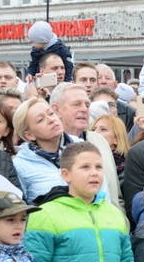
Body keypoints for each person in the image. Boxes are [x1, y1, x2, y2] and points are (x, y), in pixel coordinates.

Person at [49, 83, 122, 212]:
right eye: (76, 104)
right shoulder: (47, 146)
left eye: (87, 105)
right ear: (56, 110)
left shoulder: (99, 141)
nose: (84, 109)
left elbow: (115, 193)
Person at [90, 114, 130, 186]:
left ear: (116, 139)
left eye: (103, 129)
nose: (95, 132)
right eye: (93, 129)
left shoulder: (127, 167)